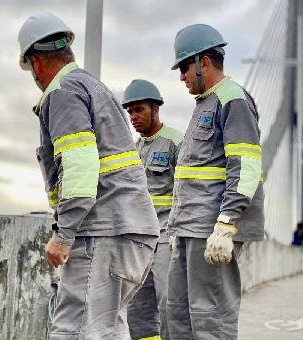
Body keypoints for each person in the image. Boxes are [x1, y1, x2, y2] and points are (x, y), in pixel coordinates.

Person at [17, 13, 159, 338]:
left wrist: (63, 235)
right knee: (106, 328)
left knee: (75, 330)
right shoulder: (93, 86)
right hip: (131, 229)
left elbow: (80, 167)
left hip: (104, 230)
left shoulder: (64, 91)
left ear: (36, 63)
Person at [166, 24, 265, 339]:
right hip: (187, 227)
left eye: (184, 67)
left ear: (203, 62)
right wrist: (175, 224)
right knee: (178, 316)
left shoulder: (232, 99)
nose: (181, 76)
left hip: (210, 228)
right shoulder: (204, 104)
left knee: (210, 320)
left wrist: (226, 224)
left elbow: (245, 164)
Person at [122, 79, 183, 340]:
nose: (134, 117)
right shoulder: (134, 150)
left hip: (167, 237)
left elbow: (188, 190)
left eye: (140, 110)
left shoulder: (176, 142)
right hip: (140, 240)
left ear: (156, 109)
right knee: (138, 308)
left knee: (169, 304)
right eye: (131, 112)